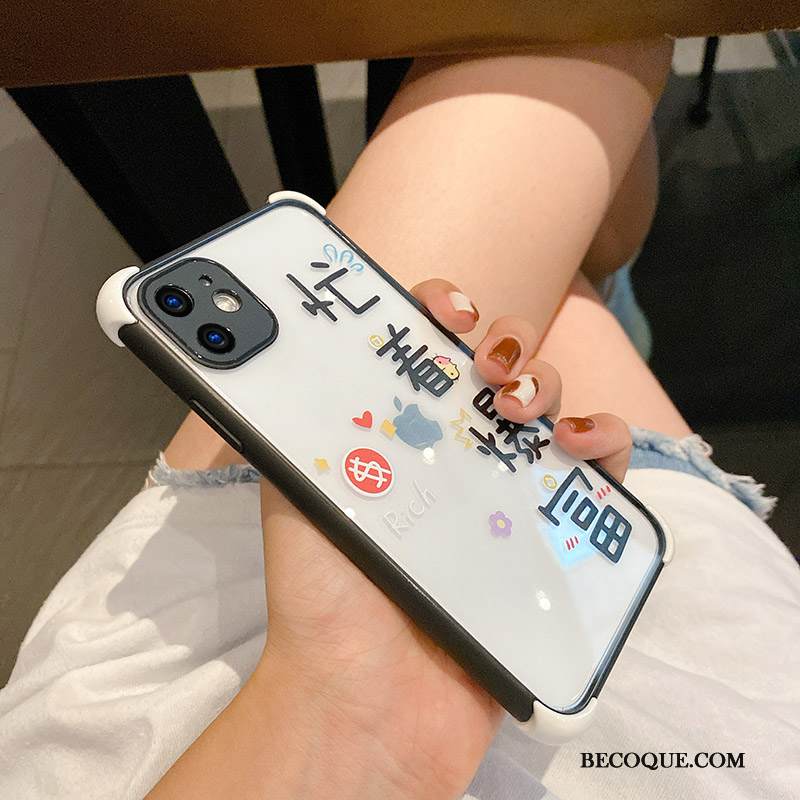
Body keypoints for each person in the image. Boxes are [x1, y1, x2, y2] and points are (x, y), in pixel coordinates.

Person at [1, 41, 798, 800]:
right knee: (584, 55)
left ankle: (594, 300)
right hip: (688, 634)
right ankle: (600, 301)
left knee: (509, 317)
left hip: (282, 642)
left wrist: (340, 713)